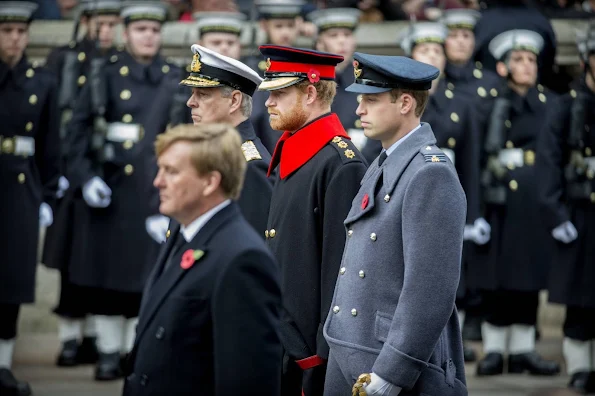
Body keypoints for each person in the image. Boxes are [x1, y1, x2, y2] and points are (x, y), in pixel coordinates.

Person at [323, 52, 468, 396]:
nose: (358, 110)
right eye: (360, 100)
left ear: (404, 103)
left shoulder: (430, 172)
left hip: (386, 361)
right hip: (352, 349)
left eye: (371, 100)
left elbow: (429, 291)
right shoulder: (386, 161)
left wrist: (393, 373)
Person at [64, 0, 180, 381]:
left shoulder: (172, 76)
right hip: (112, 189)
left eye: (154, 30)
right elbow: (76, 131)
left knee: (145, 280)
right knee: (107, 279)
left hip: (154, 190)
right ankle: (108, 352)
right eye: (140, 30)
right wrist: (85, 177)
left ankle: (135, 352)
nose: (149, 36)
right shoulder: (105, 74)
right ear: (126, 33)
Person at [121, 123, 282, 396]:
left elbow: (246, 380)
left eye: (171, 172)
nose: (158, 181)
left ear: (210, 182)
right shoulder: (189, 235)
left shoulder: (242, 260)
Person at [257, 45, 368, 396]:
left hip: (306, 353)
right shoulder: (296, 147)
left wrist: (319, 360)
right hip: (282, 337)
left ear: (309, 92)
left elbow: (340, 269)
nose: (268, 103)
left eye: (279, 93)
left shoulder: (339, 162)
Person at [469, 29, 561, 377]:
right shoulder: (489, 103)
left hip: (533, 201)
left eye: (532, 60)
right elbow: (476, 156)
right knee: (497, 277)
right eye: (519, 60)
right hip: (498, 202)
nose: (527, 66)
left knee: (528, 275)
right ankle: (494, 350)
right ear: (505, 67)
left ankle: (523, 349)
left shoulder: (551, 104)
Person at [43, 0, 122, 368]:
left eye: (112, 24)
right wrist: (54, 169)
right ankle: (69, 337)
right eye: (100, 24)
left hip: (104, 169)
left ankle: (93, 335)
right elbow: (52, 118)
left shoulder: (117, 63)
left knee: (97, 258)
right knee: (69, 258)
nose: (105, 31)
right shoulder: (64, 59)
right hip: (67, 170)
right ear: (86, 22)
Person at [0, 2, 61, 395]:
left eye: (21, 32)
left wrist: (48, 193)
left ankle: (3, 367)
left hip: (21, 188)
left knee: (12, 280)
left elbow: (49, 144)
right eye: (7, 31)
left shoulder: (41, 82)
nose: (15, 39)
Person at [537, 22, 595, 394]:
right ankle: (580, 365)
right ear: (588, 60)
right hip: (579, 213)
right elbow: (549, 161)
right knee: (580, 298)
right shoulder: (565, 105)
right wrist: (555, 213)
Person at [177, 43, 272, 235]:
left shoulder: (249, 164)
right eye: (192, 93)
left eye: (202, 94)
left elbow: (250, 246)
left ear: (234, 101)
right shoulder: (214, 149)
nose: (190, 102)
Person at [246, 0, 305, 154]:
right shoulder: (254, 67)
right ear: (265, 25)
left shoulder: (305, 66)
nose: (285, 33)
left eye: (290, 26)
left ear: (298, 25)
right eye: (278, 26)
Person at [308, 7, 366, 151]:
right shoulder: (308, 82)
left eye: (347, 35)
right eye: (333, 36)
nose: (342, 41)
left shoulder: (366, 81)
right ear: (320, 42)